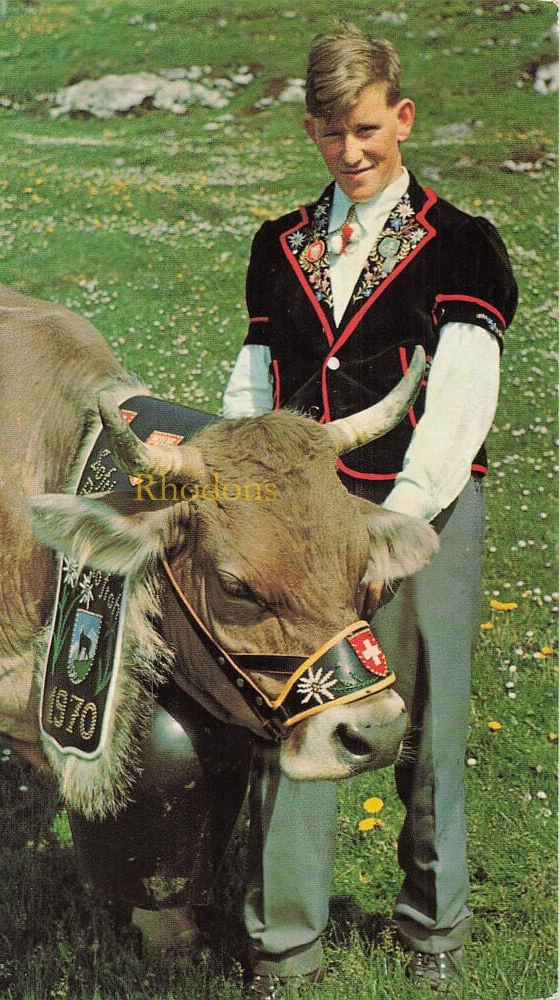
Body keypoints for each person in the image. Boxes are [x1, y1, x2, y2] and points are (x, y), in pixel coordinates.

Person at [222, 21, 517, 999]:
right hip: (303, 530)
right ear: (310, 131)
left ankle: (431, 926)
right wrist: (245, 494)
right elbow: (254, 382)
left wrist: (395, 524)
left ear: (401, 117)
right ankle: (286, 946)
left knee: (424, 728)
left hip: (418, 518)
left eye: (365, 131)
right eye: (328, 134)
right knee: (296, 714)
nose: (349, 154)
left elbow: (459, 400)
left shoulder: (459, 244)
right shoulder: (279, 245)